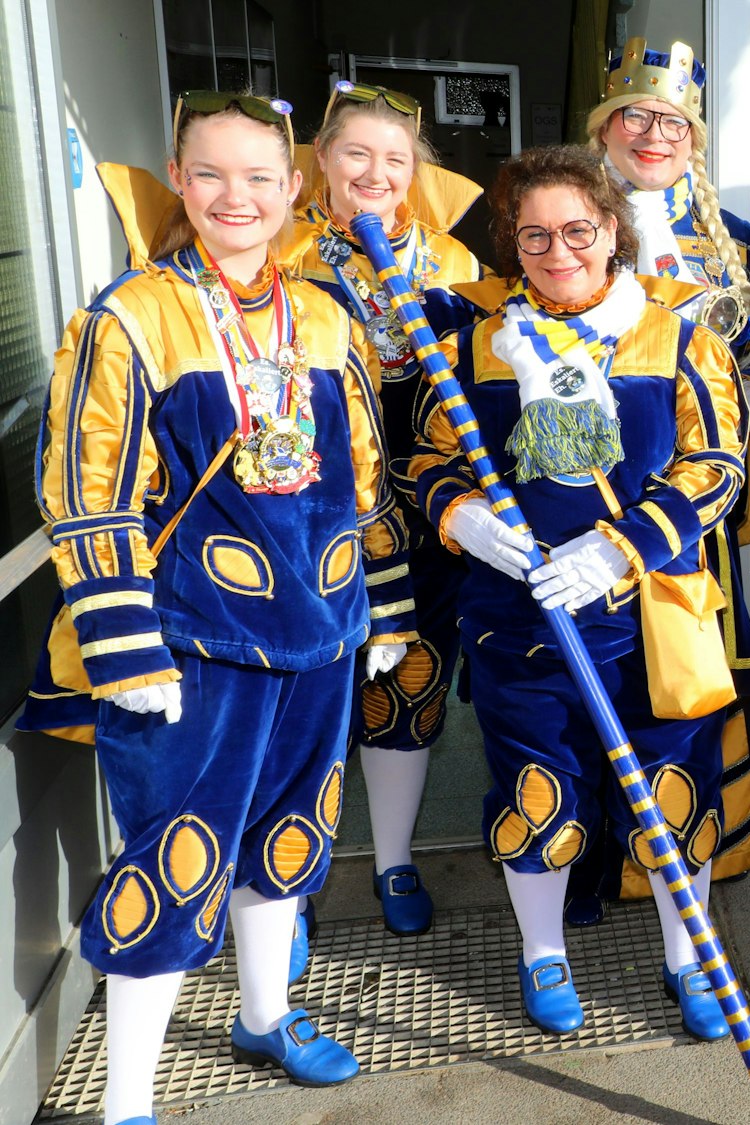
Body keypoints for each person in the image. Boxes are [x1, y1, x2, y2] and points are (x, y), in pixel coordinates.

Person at [22, 91, 417, 1122]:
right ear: (178, 179)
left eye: (257, 176)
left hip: (321, 642)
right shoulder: (129, 315)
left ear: (295, 189)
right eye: (209, 173)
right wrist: (124, 646)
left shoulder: (327, 315)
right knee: (171, 859)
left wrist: (387, 611)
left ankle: (262, 1013)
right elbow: (84, 487)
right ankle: (129, 1102)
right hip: (191, 646)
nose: (233, 196)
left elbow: (361, 481)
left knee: (290, 841)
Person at [404, 144, 745, 1042]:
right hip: (522, 618)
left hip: (651, 615)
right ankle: (542, 952)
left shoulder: (676, 331)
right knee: (538, 794)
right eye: (535, 236)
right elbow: (431, 461)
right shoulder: (475, 343)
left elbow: (716, 467)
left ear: (612, 233)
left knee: (673, 793)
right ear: (513, 245)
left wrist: (618, 546)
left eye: (578, 231)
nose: (558, 252)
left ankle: (690, 955)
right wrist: (468, 521)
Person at [567, 37, 750, 917]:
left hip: (688, 500)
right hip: (578, 491)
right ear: (603, 129)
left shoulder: (733, 243)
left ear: (695, 139)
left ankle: (696, 848)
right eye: (634, 116)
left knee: (684, 671)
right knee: (582, 671)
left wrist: (741, 411)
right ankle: (576, 853)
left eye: (672, 121)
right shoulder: (564, 223)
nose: (653, 134)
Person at [282, 78, 487, 941]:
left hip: (427, 511)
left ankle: (395, 858)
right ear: (319, 161)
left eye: (394, 158)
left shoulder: (454, 263)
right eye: (356, 152)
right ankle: (284, 891)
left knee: (410, 686)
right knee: (308, 695)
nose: (375, 171)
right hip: (314, 511)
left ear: (416, 171)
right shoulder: (276, 252)